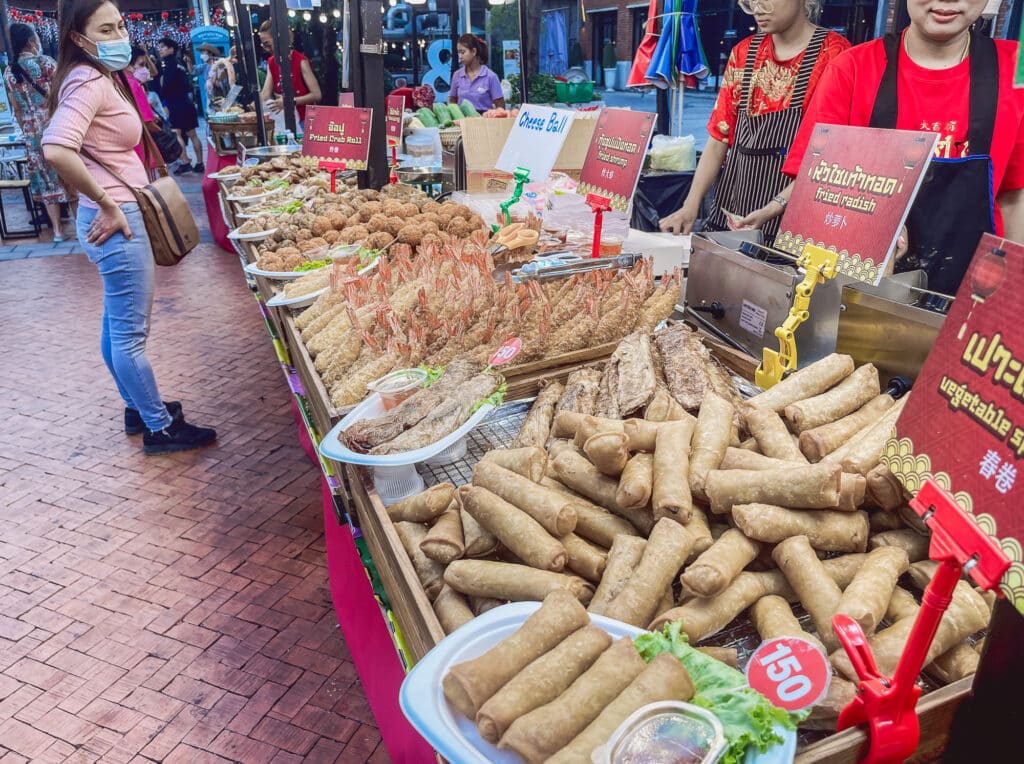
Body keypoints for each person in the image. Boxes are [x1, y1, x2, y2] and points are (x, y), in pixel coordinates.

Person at [41, 0, 216, 454]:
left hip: (115, 214)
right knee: (129, 335)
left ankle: (138, 407)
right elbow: (57, 148)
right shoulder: (87, 80)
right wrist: (105, 203)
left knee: (116, 325)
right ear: (79, 39)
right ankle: (159, 428)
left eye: (120, 24)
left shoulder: (101, 76)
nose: (120, 34)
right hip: (116, 218)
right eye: (107, 28)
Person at [783, 0, 1024, 295]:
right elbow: (814, 196)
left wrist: (1010, 296)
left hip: (973, 294)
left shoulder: (1015, 71)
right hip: (859, 289)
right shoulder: (852, 69)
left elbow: (1014, 199)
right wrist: (871, 227)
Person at [659, 0, 848, 240]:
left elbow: (828, 156)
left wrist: (773, 207)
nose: (758, 8)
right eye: (750, 2)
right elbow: (719, 138)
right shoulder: (743, 52)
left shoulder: (834, 55)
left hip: (791, 227)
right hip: (732, 215)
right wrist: (691, 205)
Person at [3, 23, 73, 242]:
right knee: (69, 176)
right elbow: (63, 94)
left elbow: (16, 107)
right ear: (32, 41)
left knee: (46, 181)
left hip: (32, 135)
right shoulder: (46, 63)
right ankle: (81, 228)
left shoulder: (9, 72)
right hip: (56, 127)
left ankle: (58, 232)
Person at [258, 21, 321, 126]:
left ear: (279, 40)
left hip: (305, 119)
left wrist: (290, 101)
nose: (266, 49)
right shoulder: (272, 62)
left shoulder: (300, 61)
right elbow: (265, 94)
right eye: (263, 45)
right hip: (285, 119)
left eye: (267, 44)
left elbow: (317, 94)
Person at [156, 37, 203, 175]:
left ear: (171, 49)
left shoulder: (170, 64)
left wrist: (162, 89)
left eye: (163, 47)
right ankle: (200, 163)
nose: (161, 50)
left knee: (176, 133)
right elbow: (187, 84)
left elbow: (166, 85)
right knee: (192, 134)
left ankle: (185, 162)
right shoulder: (180, 64)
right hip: (186, 102)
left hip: (175, 103)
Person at [449, 34, 504, 112]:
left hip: (485, 122)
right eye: (458, 52)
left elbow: (500, 107)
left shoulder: (491, 76)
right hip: (462, 122)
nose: (460, 56)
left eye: (463, 52)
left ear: (474, 51)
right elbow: (452, 102)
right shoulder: (457, 75)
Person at [126, 46, 161, 167]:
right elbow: (148, 121)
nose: (145, 69)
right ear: (129, 64)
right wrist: (162, 133)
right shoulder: (134, 84)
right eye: (141, 64)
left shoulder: (116, 81)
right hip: (140, 144)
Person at [201, 43, 235, 109]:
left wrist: (218, 79)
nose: (202, 55)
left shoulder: (219, 63)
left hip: (223, 98)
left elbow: (229, 62)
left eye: (203, 52)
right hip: (212, 100)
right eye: (201, 53)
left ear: (210, 53)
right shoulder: (204, 66)